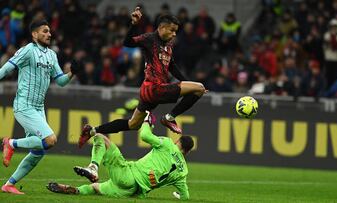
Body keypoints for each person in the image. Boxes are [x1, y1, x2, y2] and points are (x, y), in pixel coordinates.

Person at [78, 7, 206, 148]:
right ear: (162, 27)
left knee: (132, 124)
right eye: (172, 30)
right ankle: (169, 118)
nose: (174, 34)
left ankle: (91, 131)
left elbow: (172, 66)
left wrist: (187, 82)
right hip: (154, 88)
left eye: (176, 31)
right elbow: (127, 43)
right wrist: (134, 24)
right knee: (199, 89)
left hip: (149, 91)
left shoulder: (168, 45)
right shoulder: (150, 39)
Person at [0, 19, 79, 194]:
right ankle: (10, 143)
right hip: (24, 105)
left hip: (38, 107)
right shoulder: (28, 50)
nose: (49, 34)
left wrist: (72, 73)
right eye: (44, 31)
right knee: (50, 140)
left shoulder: (52, 55)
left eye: (49, 31)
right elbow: (7, 68)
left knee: (39, 151)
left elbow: (60, 82)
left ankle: (9, 185)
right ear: (34, 34)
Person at [47, 112, 193, 200]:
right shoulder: (183, 172)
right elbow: (185, 197)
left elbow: (144, 135)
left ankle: (93, 167)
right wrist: (178, 195)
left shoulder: (168, 144)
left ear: (177, 142)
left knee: (99, 138)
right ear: (187, 152)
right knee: (95, 188)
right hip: (134, 192)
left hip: (128, 175)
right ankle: (76, 190)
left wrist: (148, 121)